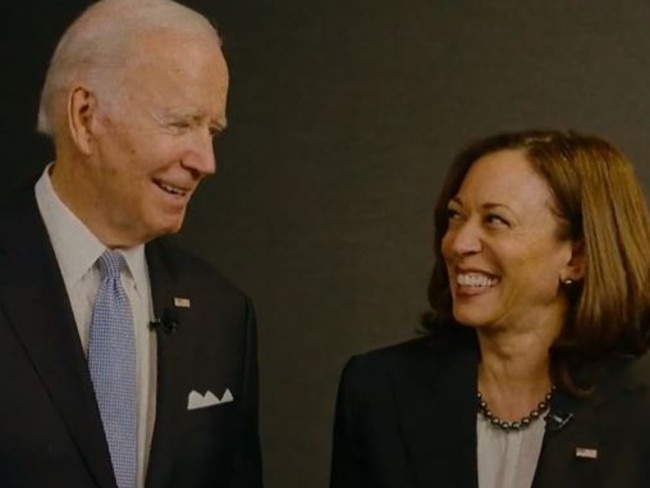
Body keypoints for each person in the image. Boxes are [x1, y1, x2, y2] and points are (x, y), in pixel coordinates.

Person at [0, 0, 262, 487]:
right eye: (180, 123)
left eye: (213, 131)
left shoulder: (222, 314)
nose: (206, 161)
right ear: (85, 117)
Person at [330, 129, 650, 488]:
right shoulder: (379, 392)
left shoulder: (639, 405)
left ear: (576, 257)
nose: (457, 243)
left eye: (495, 220)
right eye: (455, 216)